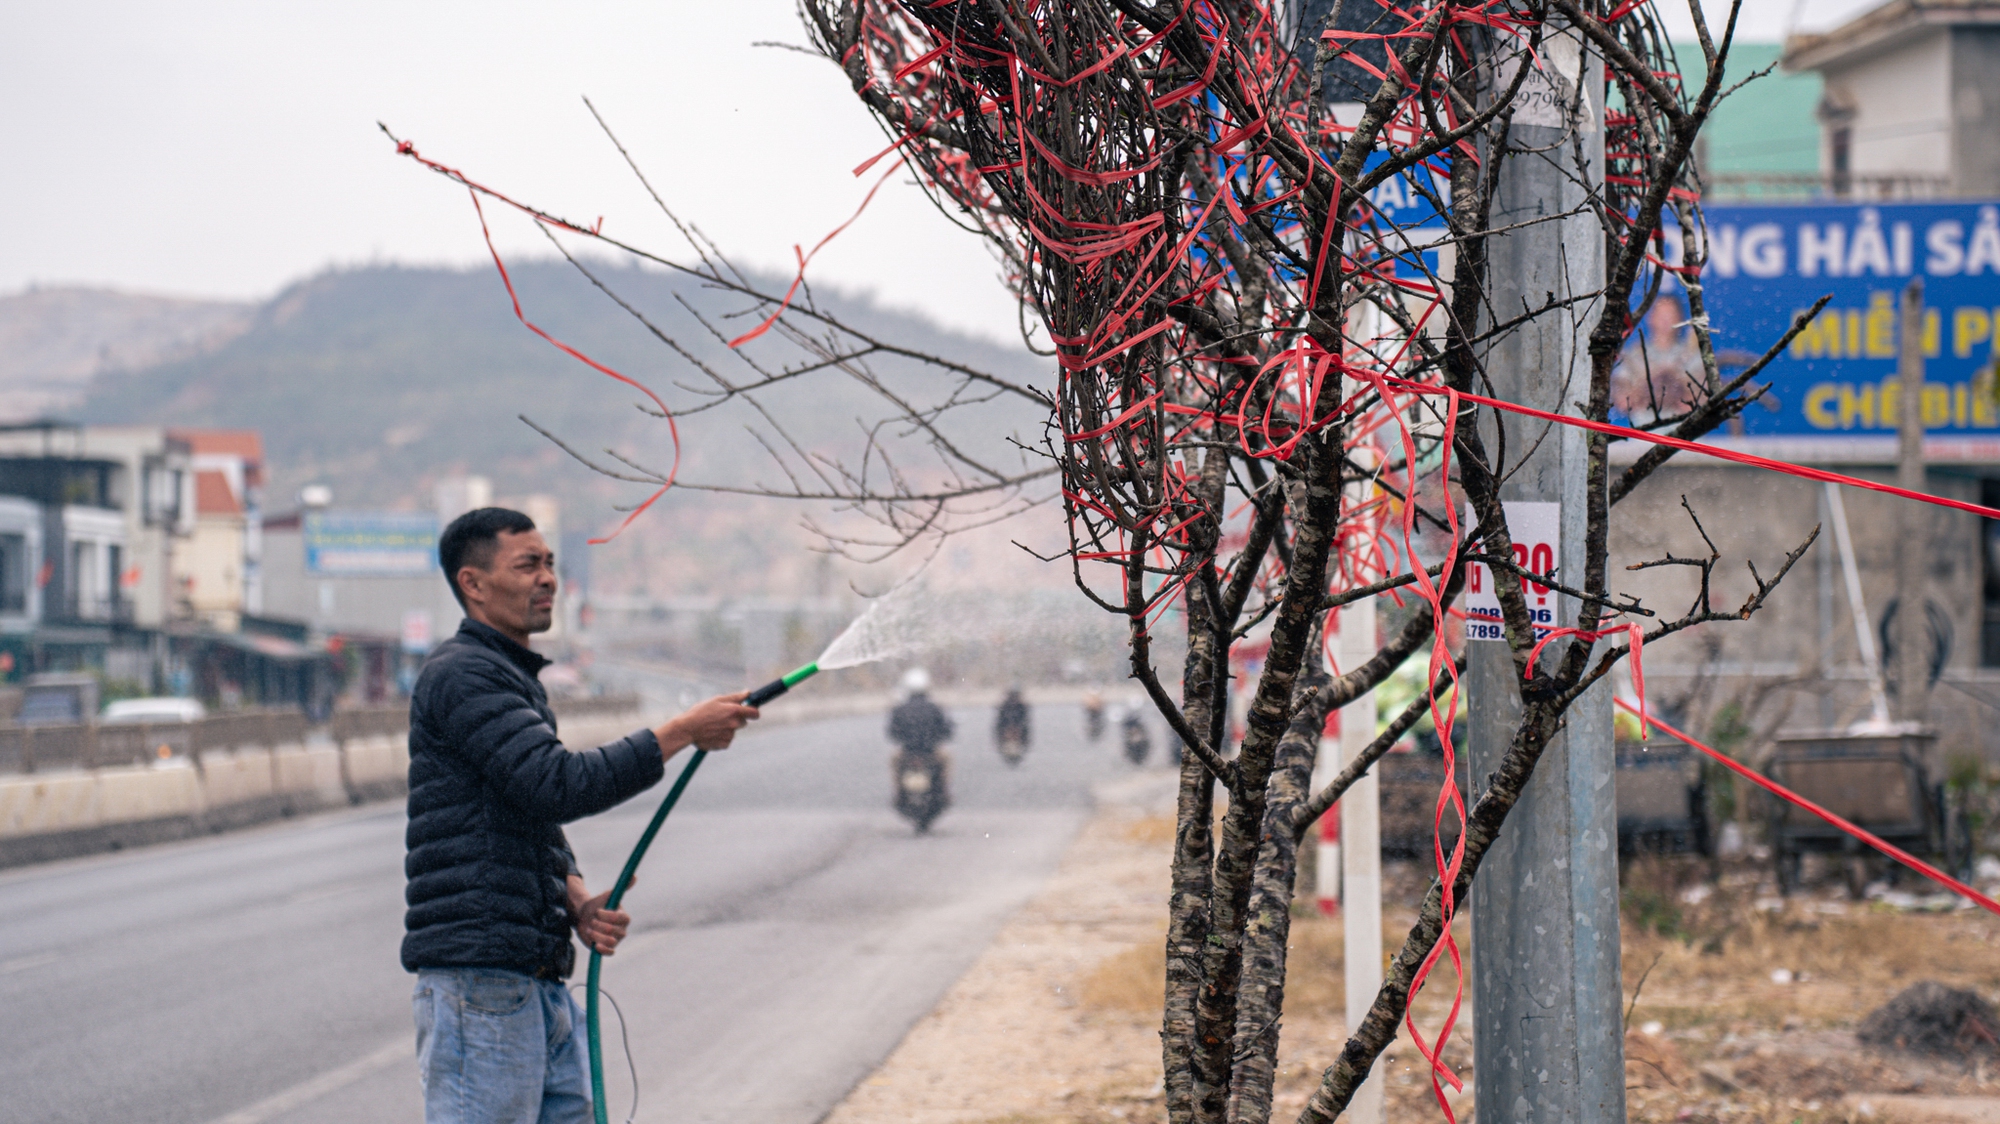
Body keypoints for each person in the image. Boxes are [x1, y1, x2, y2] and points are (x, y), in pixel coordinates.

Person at [403, 508, 759, 1124]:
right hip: (481, 984)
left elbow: (522, 807)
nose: (547, 579)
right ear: (474, 584)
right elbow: (555, 784)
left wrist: (573, 898)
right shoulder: (464, 675)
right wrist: (678, 732)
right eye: (527, 565)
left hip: (529, 977)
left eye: (549, 564)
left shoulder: (508, 676)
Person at [887, 668, 954, 828]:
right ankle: (945, 791)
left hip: (907, 752)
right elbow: (946, 730)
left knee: (894, 763)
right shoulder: (934, 707)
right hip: (930, 753)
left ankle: (898, 792)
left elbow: (892, 732)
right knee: (947, 760)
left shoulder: (900, 709)